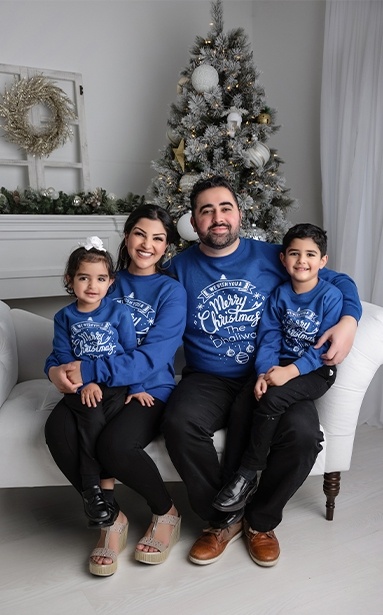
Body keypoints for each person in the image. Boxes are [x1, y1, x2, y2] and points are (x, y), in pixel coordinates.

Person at [161, 175, 361, 567]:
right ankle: (222, 519)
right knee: (180, 423)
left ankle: (260, 521)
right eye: (206, 210)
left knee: (304, 436)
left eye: (225, 208)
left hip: (277, 375)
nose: (217, 217)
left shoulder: (273, 255)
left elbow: (335, 278)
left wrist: (350, 320)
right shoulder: (178, 268)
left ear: (239, 214)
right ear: (194, 221)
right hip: (210, 376)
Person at [44, 204, 187, 576]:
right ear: (127, 236)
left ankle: (166, 512)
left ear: (166, 245)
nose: (147, 244)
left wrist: (91, 370)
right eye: (140, 234)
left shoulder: (171, 291)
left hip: (146, 388)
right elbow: (66, 342)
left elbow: (153, 357)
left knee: (115, 444)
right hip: (93, 388)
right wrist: (54, 372)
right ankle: (110, 517)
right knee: (57, 429)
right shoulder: (103, 274)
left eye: (158, 238)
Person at [212, 223, 343, 515]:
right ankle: (230, 487)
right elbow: (269, 337)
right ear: (283, 259)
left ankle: (248, 473)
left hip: (316, 370)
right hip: (279, 366)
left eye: (310, 254)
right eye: (294, 254)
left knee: (272, 398)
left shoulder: (330, 297)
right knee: (246, 401)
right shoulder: (280, 295)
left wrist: (290, 372)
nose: (302, 261)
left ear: (323, 261)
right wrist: (264, 372)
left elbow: (322, 349)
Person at [46, 236, 154, 529]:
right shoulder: (64, 317)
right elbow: (63, 356)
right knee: (90, 418)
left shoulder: (119, 313)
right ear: (70, 280)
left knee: (105, 423)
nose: (92, 286)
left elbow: (131, 354)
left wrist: (138, 388)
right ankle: (96, 491)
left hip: (113, 383)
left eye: (100, 278)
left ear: (110, 282)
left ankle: (101, 494)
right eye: (84, 278)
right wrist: (83, 385)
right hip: (78, 385)